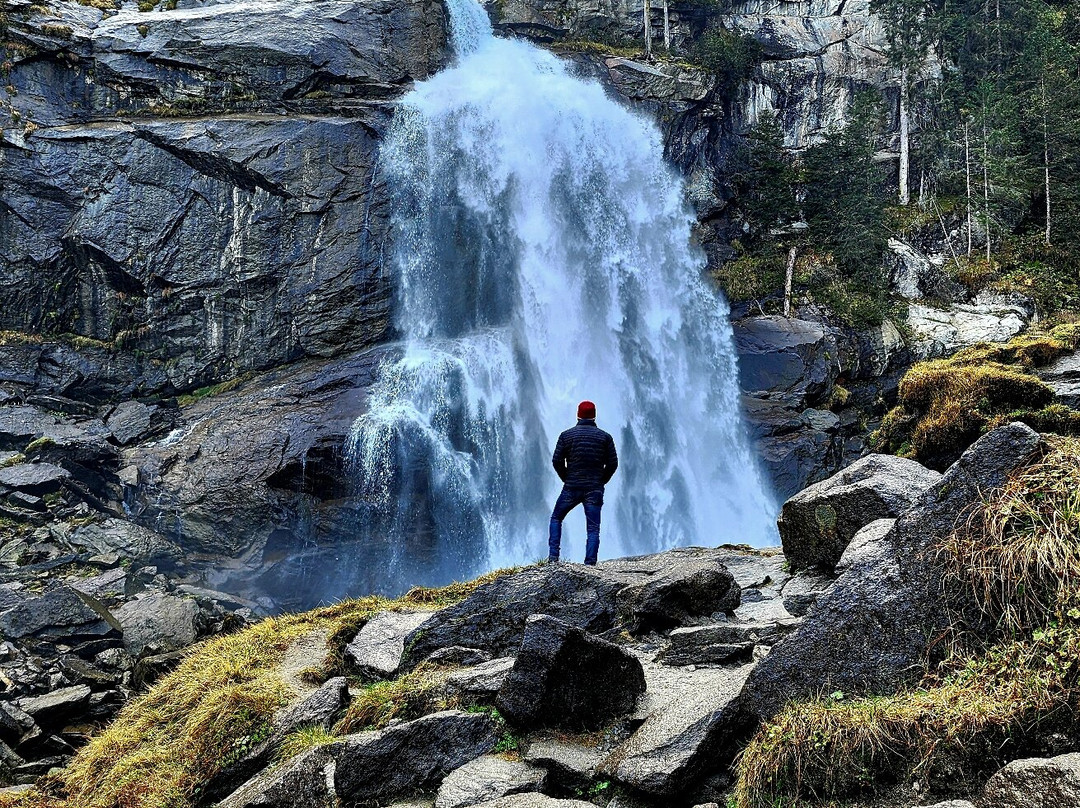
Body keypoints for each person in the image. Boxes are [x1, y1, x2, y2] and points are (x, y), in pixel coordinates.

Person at [548, 400, 618, 565]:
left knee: (556, 518)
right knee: (593, 528)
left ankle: (553, 559)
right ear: (594, 416)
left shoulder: (566, 436)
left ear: (578, 415)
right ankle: (590, 564)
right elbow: (613, 464)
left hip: (571, 487)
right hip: (594, 488)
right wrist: (601, 481)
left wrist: (567, 478)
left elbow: (556, 461)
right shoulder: (605, 437)